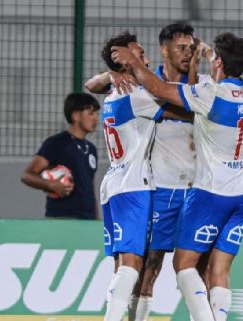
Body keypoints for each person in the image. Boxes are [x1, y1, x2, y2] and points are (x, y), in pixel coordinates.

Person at [111, 32, 243, 321]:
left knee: (184, 265)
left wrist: (131, 64)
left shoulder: (210, 95)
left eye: (214, 55)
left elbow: (162, 89)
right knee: (219, 270)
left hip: (212, 192)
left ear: (220, 63)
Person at [95, 31, 187, 321]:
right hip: (134, 186)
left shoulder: (113, 94)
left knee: (122, 265)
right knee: (133, 265)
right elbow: (182, 108)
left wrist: (110, 75)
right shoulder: (137, 96)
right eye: (138, 55)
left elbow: (92, 83)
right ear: (123, 62)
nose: (144, 60)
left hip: (113, 184)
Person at [21, 93, 100, 220]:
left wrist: (96, 219)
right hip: (61, 218)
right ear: (76, 116)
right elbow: (27, 175)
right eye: (90, 113)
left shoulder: (91, 149)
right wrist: (51, 185)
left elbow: (90, 188)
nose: (95, 118)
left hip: (87, 220)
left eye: (96, 114)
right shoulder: (57, 143)